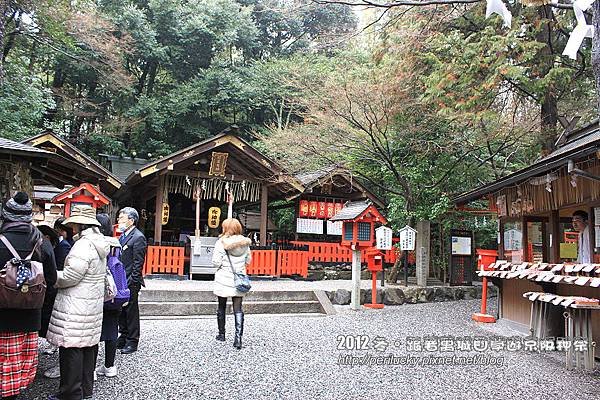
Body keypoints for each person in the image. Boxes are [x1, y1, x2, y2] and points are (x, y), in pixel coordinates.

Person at [46, 205, 110, 400]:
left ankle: (70, 393)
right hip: (90, 303)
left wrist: (51, 276)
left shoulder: (83, 245)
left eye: (73, 225)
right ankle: (85, 391)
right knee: (88, 347)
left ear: (79, 225)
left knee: (71, 347)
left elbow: (72, 276)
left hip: (76, 304)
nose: (70, 229)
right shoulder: (98, 242)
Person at [0, 192, 57, 400]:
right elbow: (51, 280)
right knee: (18, 362)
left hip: (2, 316)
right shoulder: (42, 243)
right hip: (30, 315)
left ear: (5, 215)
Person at [212, 218, 251, 350]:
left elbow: (216, 262)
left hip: (224, 278)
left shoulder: (221, 242)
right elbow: (248, 260)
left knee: (221, 306)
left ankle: (221, 334)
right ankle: (238, 339)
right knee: (238, 309)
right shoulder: (245, 243)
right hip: (238, 279)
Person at [116, 207, 147, 355]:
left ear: (131, 220)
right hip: (121, 279)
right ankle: (123, 335)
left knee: (131, 311)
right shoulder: (122, 236)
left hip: (131, 280)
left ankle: (132, 340)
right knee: (121, 310)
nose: (119, 220)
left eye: (122, 218)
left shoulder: (138, 237)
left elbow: (138, 263)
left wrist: (133, 281)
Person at [95, 213, 122, 378]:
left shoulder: (95, 244)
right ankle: (110, 366)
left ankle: (90, 369)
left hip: (98, 289)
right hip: (114, 290)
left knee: (93, 331)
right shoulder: (116, 244)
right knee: (112, 329)